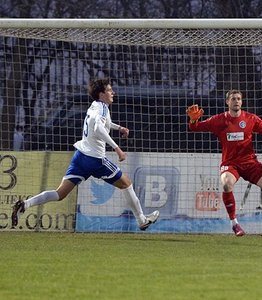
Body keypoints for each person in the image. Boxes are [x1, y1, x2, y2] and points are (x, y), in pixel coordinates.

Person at [11, 78, 159, 230]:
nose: (113, 92)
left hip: (80, 156)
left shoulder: (95, 106)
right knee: (127, 183)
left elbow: (101, 123)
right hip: (95, 160)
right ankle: (141, 220)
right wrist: (117, 148)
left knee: (60, 193)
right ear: (101, 94)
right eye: (109, 90)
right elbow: (98, 129)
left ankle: (25, 204)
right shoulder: (102, 108)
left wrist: (119, 128)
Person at [186, 89, 262, 236]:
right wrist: (193, 120)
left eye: (239, 99)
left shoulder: (251, 119)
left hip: (250, 163)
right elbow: (195, 128)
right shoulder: (219, 120)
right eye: (233, 99)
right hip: (231, 164)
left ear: (242, 101)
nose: (236, 101)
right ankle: (235, 224)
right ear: (227, 102)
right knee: (226, 184)